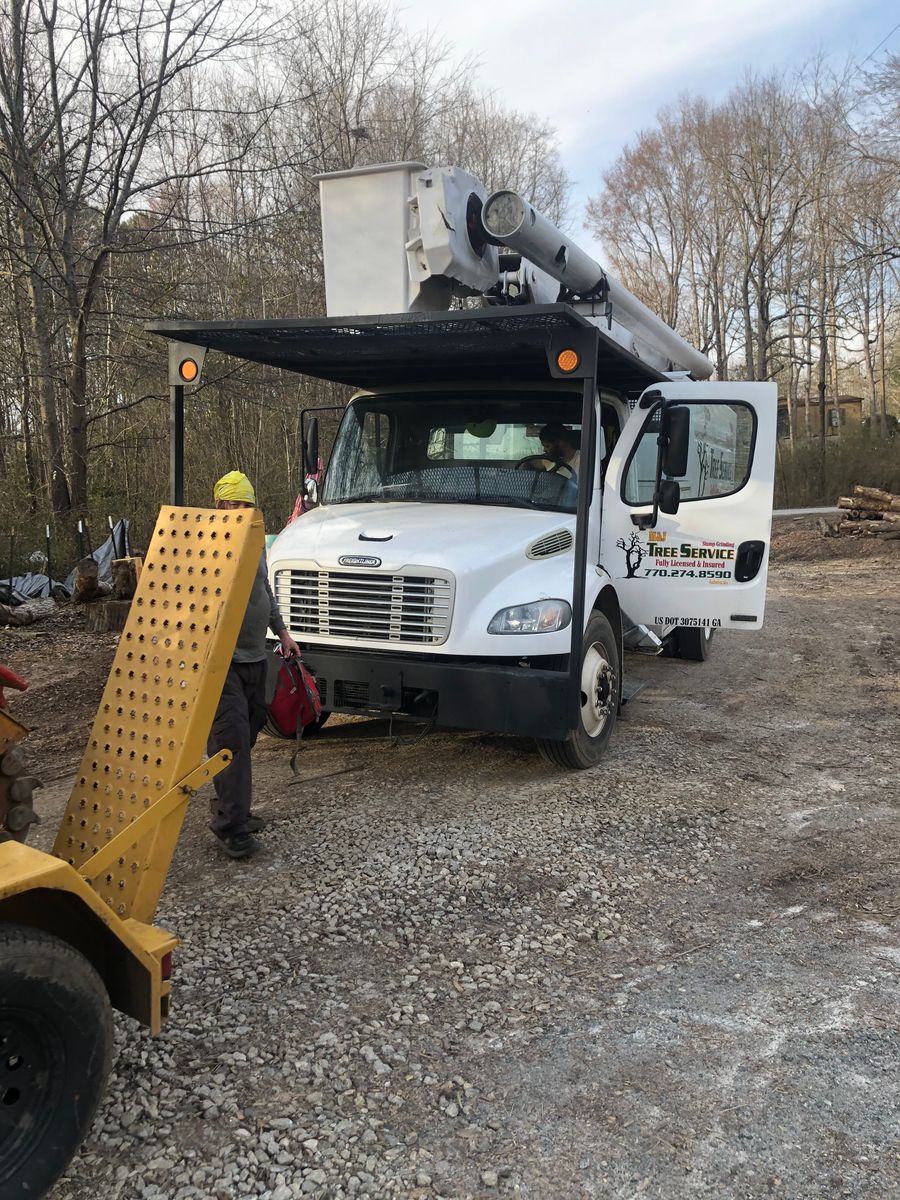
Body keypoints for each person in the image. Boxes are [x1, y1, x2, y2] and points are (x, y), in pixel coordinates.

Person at [208, 471, 301, 859]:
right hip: (221, 663)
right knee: (231, 742)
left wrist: (282, 632)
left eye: (245, 505)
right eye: (231, 504)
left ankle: (230, 808)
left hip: (254, 656)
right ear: (219, 507)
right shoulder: (207, 544)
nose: (238, 511)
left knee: (251, 728)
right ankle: (233, 827)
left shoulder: (257, 544)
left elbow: (264, 589)